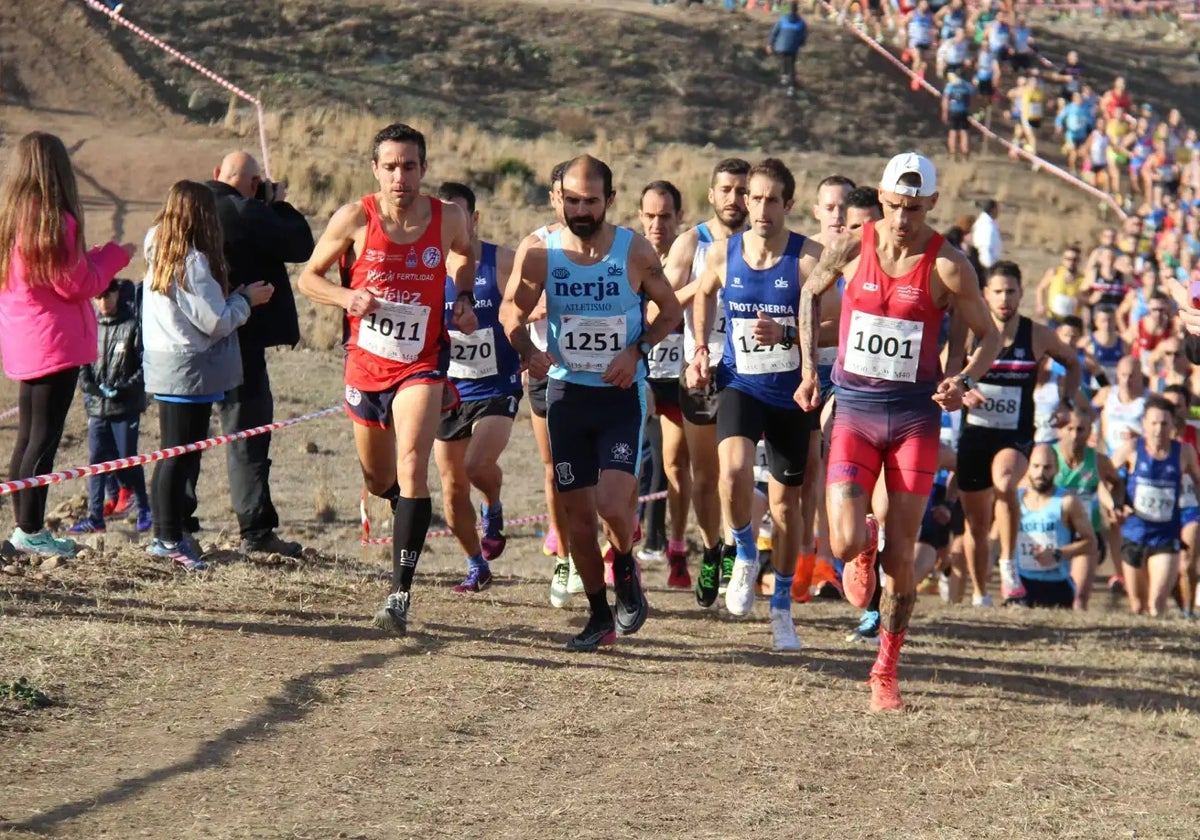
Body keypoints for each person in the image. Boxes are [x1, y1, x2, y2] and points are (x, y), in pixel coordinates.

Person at [796, 152, 1001, 712]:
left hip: (914, 418)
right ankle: (861, 547)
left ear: (932, 203)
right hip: (855, 410)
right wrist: (809, 372)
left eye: (914, 208)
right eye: (893, 205)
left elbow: (990, 336)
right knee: (841, 543)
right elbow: (810, 291)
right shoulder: (851, 244)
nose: (902, 218)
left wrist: (961, 377)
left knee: (902, 556)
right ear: (881, 198)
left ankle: (885, 668)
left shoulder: (949, 264)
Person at [298, 123, 478, 636]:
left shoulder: (448, 218)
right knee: (380, 480)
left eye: (411, 166)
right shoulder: (356, 217)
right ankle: (406, 510)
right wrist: (344, 297)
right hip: (366, 364)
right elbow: (308, 277)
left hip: (421, 363)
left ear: (424, 168)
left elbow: (466, 252)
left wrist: (460, 297)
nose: (401, 176)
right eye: (391, 166)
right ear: (376, 169)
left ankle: (399, 594)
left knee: (414, 464)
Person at [500, 155, 682, 651]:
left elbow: (670, 312)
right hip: (565, 394)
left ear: (610, 200)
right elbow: (510, 312)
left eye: (592, 200)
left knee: (611, 506)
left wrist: (636, 350)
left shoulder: (634, 252)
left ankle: (625, 562)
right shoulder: (538, 253)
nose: (582, 209)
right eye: (573, 200)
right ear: (558, 198)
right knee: (577, 517)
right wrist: (528, 351)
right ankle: (599, 616)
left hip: (620, 394)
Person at [687, 158, 820, 652]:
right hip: (741, 383)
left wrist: (787, 333)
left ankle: (782, 609)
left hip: (791, 393)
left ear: (788, 204)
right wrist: (701, 348)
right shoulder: (722, 253)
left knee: (786, 507)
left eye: (770, 200)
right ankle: (743, 550)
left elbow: (837, 323)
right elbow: (702, 295)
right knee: (733, 473)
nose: (760, 208)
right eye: (754, 198)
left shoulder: (809, 260)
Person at [0, 131, 133, 558]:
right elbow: (80, 284)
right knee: (42, 440)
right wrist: (115, 255)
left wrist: (87, 257)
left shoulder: (11, 217)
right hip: (55, 342)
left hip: (24, 340)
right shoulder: (52, 221)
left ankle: (26, 529)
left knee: (26, 440)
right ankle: (32, 531)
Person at [142, 181, 274, 571]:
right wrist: (246, 300)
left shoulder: (158, 246)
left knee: (172, 454)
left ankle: (165, 536)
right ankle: (168, 540)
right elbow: (215, 321)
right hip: (190, 369)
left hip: (167, 364)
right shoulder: (192, 261)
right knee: (179, 456)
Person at [206, 152, 315, 556]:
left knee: (181, 441)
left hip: (187, 343)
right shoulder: (244, 209)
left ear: (217, 174)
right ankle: (255, 530)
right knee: (248, 437)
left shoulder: (190, 204)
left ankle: (175, 529)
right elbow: (301, 242)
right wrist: (276, 202)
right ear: (254, 184)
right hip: (240, 340)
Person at [957, 261, 1081, 606]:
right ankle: (981, 594)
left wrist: (1067, 401)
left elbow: (1073, 362)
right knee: (976, 525)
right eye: (997, 291)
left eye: (1011, 291)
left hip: (1015, 436)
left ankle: (1008, 566)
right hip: (974, 435)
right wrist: (962, 389)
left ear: (1022, 293)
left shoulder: (1037, 335)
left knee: (1006, 482)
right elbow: (944, 365)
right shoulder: (971, 333)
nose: (1004, 298)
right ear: (985, 294)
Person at [662, 158, 751, 609]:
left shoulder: (763, 246)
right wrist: (706, 286)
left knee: (739, 472)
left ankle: (741, 547)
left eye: (742, 190)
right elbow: (663, 302)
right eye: (726, 190)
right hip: (702, 368)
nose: (734, 199)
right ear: (712, 195)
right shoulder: (689, 244)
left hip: (752, 372)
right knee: (704, 477)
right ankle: (713, 550)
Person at [431, 182, 520, 594]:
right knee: (451, 490)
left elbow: (533, 301)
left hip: (498, 384)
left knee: (476, 466)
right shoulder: (427, 265)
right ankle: (475, 565)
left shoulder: (500, 260)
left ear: (475, 220)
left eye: (462, 217)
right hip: (448, 391)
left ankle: (493, 507)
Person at [636, 180, 691, 587]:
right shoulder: (629, 257)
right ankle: (634, 541)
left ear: (679, 217)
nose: (658, 224)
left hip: (680, 376)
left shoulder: (690, 256)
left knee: (673, 464)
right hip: (640, 370)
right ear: (640, 217)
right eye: (651, 216)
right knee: (630, 461)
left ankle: (674, 545)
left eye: (666, 216)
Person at [68, 279, 152, 535]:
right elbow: (83, 365)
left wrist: (123, 389)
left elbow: (142, 365)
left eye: (107, 295)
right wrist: (93, 389)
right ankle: (95, 517)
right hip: (97, 408)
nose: (103, 302)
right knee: (96, 462)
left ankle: (144, 507)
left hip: (125, 406)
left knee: (127, 458)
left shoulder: (132, 326)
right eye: (98, 297)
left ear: (116, 294)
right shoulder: (90, 326)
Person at [1113, 395, 1200, 616]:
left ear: (1173, 424)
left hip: (1166, 536)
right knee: (1138, 606)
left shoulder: (1184, 452)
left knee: (1157, 601)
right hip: (1134, 534)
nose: (1158, 430)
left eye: (1164, 423)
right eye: (1153, 423)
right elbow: (1106, 476)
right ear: (1144, 424)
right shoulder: (1132, 448)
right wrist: (1115, 504)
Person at [1054, 405, 1123, 610]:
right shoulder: (1049, 456)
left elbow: (1117, 482)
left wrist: (1116, 505)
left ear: (1089, 432)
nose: (1075, 435)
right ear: (1061, 429)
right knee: (1056, 597)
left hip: (1086, 534)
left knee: (1079, 595)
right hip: (1054, 532)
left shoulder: (1098, 460)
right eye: (1070, 429)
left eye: (1081, 430)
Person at [1014, 444, 1098, 609]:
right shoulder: (1014, 501)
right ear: (1027, 467)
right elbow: (995, 536)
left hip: (1056, 586)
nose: (1040, 473)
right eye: (1036, 466)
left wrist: (1057, 554)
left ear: (1056, 469)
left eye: (1047, 467)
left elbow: (1091, 543)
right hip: (1021, 583)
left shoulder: (1068, 501)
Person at [1034, 244, 1083, 326]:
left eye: (1075, 259)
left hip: (1072, 321)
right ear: (1063, 260)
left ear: (1079, 261)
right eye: (1068, 259)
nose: (1071, 262)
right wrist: (1040, 305)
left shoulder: (1083, 278)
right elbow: (1040, 288)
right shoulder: (1055, 273)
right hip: (1054, 318)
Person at [767, 2, 807, 97]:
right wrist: (800, 43)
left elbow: (774, 32)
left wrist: (769, 44)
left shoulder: (783, 20)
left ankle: (784, 76)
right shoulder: (801, 23)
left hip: (780, 46)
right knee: (791, 66)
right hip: (793, 48)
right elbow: (803, 37)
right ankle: (791, 87)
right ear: (797, 10)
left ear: (789, 9)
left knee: (784, 59)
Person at [942, 70, 975, 162]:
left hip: (953, 111)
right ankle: (964, 156)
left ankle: (952, 156)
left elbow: (945, 99)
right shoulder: (968, 85)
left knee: (952, 133)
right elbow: (972, 100)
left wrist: (944, 112)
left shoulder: (950, 85)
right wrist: (971, 111)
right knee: (964, 133)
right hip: (964, 111)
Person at [971, 199, 1002, 270]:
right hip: (985, 264)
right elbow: (985, 247)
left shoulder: (986, 222)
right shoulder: (987, 225)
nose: (999, 212)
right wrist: (989, 266)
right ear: (993, 210)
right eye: (997, 209)